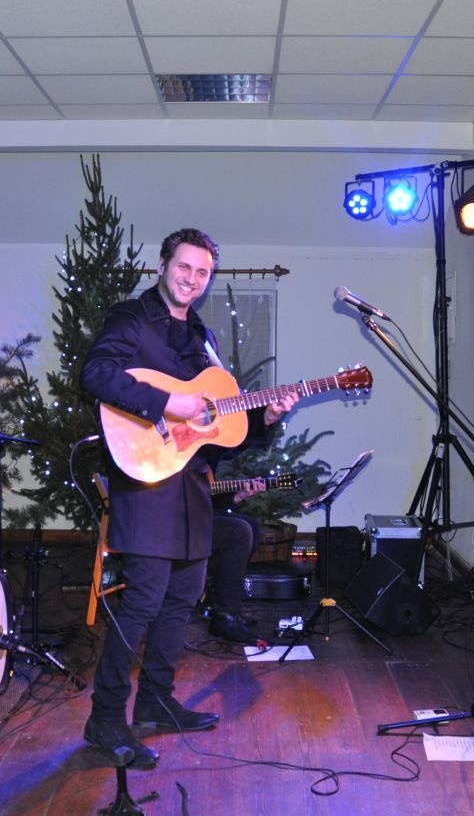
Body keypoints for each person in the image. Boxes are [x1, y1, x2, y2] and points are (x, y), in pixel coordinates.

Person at [80, 228, 297, 768]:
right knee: (142, 602)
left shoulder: (203, 337)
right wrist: (167, 402)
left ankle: (155, 701)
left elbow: (215, 427)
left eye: (202, 272)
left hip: (192, 485)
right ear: (162, 265)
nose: (192, 279)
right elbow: (97, 373)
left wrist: (264, 421)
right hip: (146, 480)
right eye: (184, 267)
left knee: (182, 598)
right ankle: (105, 718)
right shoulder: (132, 318)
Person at [205, 478, 267, 645]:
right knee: (239, 530)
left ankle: (223, 606)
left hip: (198, 513)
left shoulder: (202, 467)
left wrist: (239, 496)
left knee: (251, 525)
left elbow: (208, 497)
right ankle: (225, 617)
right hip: (177, 519)